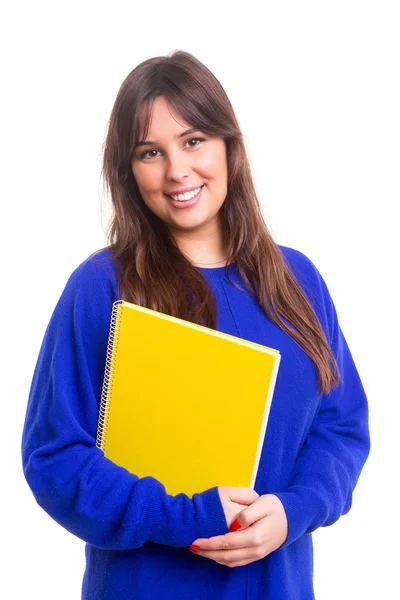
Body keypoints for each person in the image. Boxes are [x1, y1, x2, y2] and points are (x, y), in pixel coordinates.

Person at [21, 50, 370, 600]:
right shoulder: (102, 287)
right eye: (150, 152)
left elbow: (341, 430)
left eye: (193, 141)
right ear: (127, 170)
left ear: (229, 145)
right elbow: (55, 458)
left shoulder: (296, 279)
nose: (177, 171)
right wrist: (183, 515)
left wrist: (292, 512)